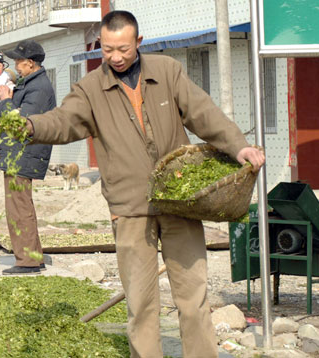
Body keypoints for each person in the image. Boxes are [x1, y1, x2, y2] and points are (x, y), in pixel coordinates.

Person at [23, 11, 265, 358]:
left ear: (138, 42)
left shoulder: (167, 72)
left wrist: (237, 144)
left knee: (193, 299)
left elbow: (203, 112)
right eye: (107, 50)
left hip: (180, 202)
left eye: (123, 48)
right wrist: (29, 127)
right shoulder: (90, 89)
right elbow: (63, 122)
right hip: (130, 207)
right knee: (140, 303)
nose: (116, 57)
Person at [0, 40, 56, 275]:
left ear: (30, 63)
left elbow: (22, 125)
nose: (15, 66)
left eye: (18, 61)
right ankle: (34, 256)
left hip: (24, 154)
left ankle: (27, 261)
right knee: (21, 205)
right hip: (19, 153)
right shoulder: (29, 83)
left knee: (19, 208)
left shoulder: (38, 88)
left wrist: (6, 100)